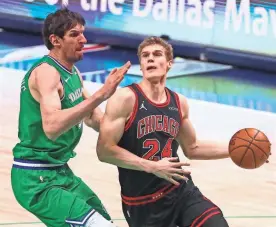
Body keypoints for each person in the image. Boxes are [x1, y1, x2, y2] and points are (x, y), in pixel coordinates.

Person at [11, 8, 131, 227]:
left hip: (60, 171)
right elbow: (52, 126)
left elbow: (94, 117)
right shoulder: (47, 72)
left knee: (106, 221)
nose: (84, 40)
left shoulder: (72, 72)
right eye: (75, 34)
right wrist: (102, 94)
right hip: (35, 178)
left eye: (83, 33)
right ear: (55, 40)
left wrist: (130, 135)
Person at [96, 36, 230, 227]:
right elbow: (104, 150)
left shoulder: (179, 103)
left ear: (169, 64)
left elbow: (193, 147)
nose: (150, 59)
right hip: (142, 203)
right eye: (145, 56)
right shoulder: (125, 98)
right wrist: (151, 166)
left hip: (180, 191)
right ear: (141, 66)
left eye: (157, 54)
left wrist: (233, 149)